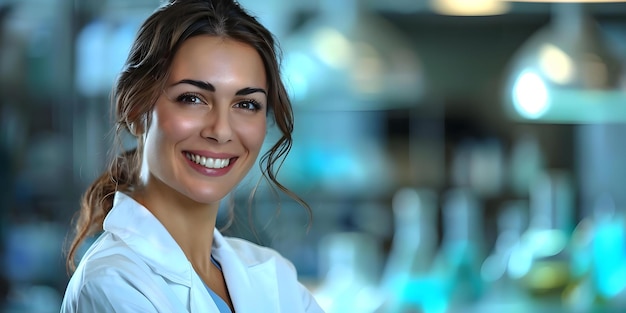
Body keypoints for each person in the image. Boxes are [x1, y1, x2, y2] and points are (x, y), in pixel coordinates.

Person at [61, 0, 323, 312]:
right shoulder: (113, 283)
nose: (221, 130)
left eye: (246, 104)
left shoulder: (274, 275)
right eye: (193, 98)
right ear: (134, 109)